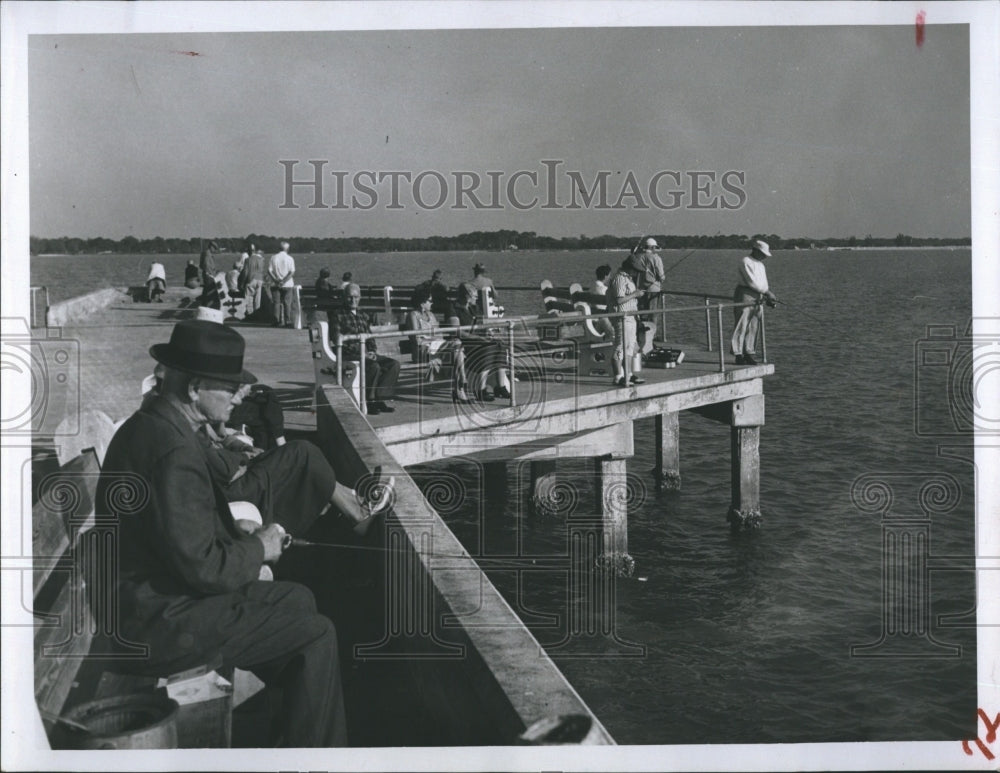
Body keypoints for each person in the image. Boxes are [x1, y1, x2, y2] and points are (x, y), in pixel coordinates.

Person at [97, 320, 355, 746]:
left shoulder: (157, 426)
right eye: (230, 386)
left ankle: (289, 735)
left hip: (153, 600)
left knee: (297, 599)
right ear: (195, 387)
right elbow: (205, 569)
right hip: (158, 623)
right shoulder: (173, 450)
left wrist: (234, 529)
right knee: (315, 634)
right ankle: (313, 757)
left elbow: (177, 533)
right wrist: (260, 546)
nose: (239, 395)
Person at [331, 283, 400, 415]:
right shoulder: (337, 315)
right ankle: (369, 400)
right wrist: (362, 353)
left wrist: (372, 351)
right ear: (344, 297)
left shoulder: (363, 315)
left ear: (360, 297)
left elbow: (370, 337)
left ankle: (379, 397)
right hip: (347, 354)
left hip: (365, 353)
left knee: (393, 365)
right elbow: (338, 340)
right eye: (350, 297)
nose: (353, 300)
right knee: (373, 366)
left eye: (356, 297)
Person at [407, 287, 469, 402]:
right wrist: (432, 340)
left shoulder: (431, 315)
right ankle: (460, 385)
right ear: (422, 303)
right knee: (457, 346)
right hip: (423, 350)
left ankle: (459, 387)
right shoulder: (413, 315)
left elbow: (439, 335)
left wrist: (433, 339)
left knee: (457, 350)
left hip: (436, 347)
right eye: (429, 301)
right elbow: (416, 339)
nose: (432, 303)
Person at [731, 239, 778, 365]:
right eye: (762, 253)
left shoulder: (761, 265)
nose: (764, 256)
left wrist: (767, 296)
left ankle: (749, 352)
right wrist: (767, 293)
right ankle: (738, 354)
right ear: (755, 250)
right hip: (745, 294)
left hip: (758, 295)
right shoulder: (745, 261)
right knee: (742, 324)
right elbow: (752, 282)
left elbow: (763, 283)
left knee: (753, 325)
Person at [606, 260, 646, 387]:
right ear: (629, 268)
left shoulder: (627, 279)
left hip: (630, 317)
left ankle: (628, 374)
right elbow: (619, 300)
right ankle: (618, 376)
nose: (636, 273)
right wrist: (636, 294)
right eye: (635, 271)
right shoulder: (619, 279)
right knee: (620, 346)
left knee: (629, 347)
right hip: (622, 317)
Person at [626, 237, 665, 311]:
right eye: (655, 247)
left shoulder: (637, 257)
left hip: (639, 289)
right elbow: (661, 277)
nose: (655, 249)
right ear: (652, 247)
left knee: (641, 312)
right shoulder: (656, 258)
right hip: (653, 289)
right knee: (652, 313)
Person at [268, 241, 296, 327]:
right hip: (288, 284)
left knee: (276, 303)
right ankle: (287, 321)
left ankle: (276, 321)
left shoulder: (273, 257)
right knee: (287, 303)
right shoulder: (290, 258)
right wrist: (284, 281)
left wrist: (276, 280)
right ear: (287, 249)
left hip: (275, 284)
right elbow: (292, 272)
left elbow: (269, 270)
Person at [241, 244, 267, 315]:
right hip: (260, 280)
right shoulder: (261, 259)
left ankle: (249, 314)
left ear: (249, 251)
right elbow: (262, 271)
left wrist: (242, 283)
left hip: (251, 279)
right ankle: (257, 314)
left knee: (249, 298)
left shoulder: (247, 260)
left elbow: (245, 272)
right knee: (257, 299)